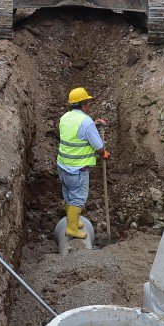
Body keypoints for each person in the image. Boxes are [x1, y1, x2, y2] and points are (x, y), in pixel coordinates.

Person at [57, 87, 109, 239]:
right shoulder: (86, 122)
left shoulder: (65, 117)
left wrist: (92, 124)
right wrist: (104, 153)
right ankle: (72, 229)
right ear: (84, 104)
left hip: (63, 165)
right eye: (88, 103)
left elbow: (76, 133)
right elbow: (99, 148)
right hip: (77, 169)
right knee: (78, 198)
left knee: (68, 195)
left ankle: (72, 222)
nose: (89, 106)